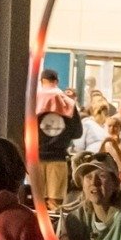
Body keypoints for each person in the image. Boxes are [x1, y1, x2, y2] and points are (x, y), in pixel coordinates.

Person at [35, 67, 82, 210]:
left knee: (37, 204)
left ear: (42, 81)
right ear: (57, 81)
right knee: (55, 205)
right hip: (58, 158)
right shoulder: (68, 103)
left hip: (35, 158)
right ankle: (53, 231)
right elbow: (77, 133)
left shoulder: (31, 101)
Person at [98, 112, 121, 189]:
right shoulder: (105, 142)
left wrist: (116, 147)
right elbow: (99, 158)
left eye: (115, 126)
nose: (112, 129)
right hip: (108, 173)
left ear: (120, 128)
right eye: (110, 126)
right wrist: (103, 143)